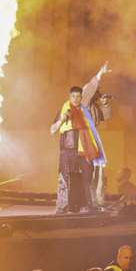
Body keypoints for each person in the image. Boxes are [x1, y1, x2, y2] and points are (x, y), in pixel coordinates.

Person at [50, 62, 110, 214]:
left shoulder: (87, 109)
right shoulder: (65, 109)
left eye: (79, 96)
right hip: (68, 150)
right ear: (70, 97)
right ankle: (65, 207)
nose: (77, 99)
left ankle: (89, 206)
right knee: (66, 181)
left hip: (85, 150)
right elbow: (53, 129)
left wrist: (100, 75)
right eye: (74, 96)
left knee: (88, 179)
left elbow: (104, 114)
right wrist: (63, 119)